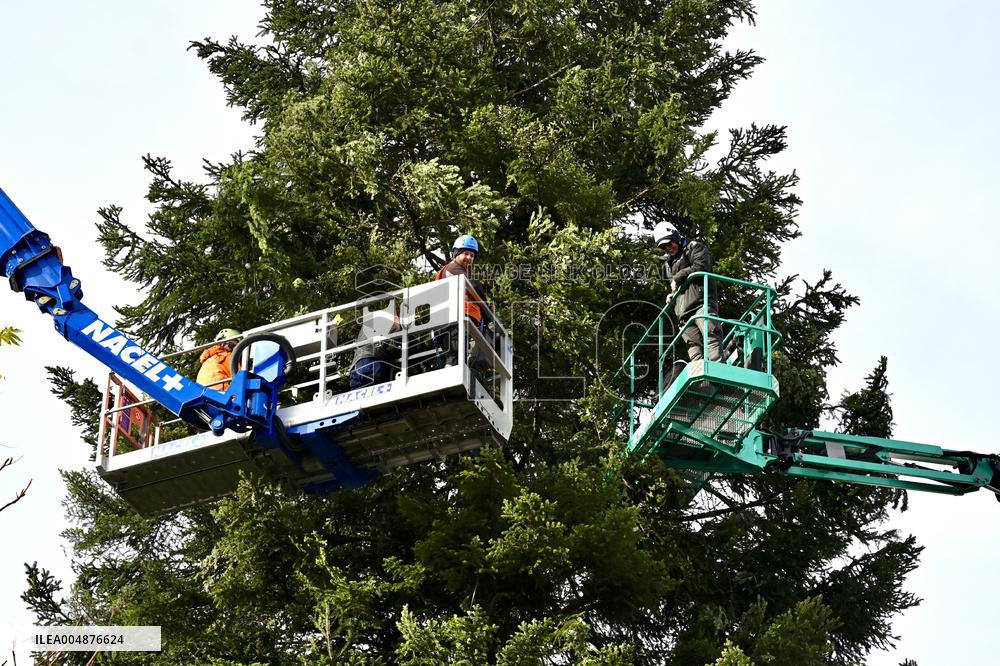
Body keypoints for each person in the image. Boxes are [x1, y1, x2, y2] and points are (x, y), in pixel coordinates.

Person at [656, 225, 723, 364]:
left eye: (669, 243)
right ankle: (701, 376)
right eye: (664, 247)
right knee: (694, 349)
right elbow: (675, 285)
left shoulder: (694, 247)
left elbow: (701, 266)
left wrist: (678, 277)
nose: (668, 248)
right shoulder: (668, 264)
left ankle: (718, 370)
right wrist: (672, 294)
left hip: (701, 303)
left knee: (711, 336)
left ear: (676, 238)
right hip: (683, 313)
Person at [435, 234, 490, 366]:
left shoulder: (461, 272)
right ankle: (451, 370)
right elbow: (475, 288)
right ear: (456, 253)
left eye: (472, 255)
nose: (469, 258)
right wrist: (487, 311)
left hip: (463, 318)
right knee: (455, 355)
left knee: (462, 354)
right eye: (466, 253)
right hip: (453, 319)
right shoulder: (452, 268)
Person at [348, 300, 401, 389]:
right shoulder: (383, 320)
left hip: (356, 368)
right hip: (370, 363)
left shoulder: (368, 323)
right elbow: (397, 327)